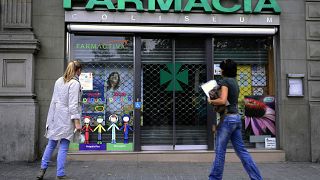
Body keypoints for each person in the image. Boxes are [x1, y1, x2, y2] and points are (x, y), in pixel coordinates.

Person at [207, 59, 263, 180]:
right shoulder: (234, 82)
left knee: (220, 152)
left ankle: (214, 178)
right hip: (236, 118)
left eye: (221, 68)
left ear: (224, 70)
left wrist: (211, 100)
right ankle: (257, 178)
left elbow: (222, 100)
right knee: (242, 151)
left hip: (227, 119)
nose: (220, 70)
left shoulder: (225, 81)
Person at [37, 61, 82, 180]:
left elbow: (53, 101)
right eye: (80, 71)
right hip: (67, 118)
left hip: (56, 117)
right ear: (78, 70)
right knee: (63, 145)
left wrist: (50, 119)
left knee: (51, 144)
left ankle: (42, 170)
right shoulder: (74, 83)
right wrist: (77, 122)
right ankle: (60, 174)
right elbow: (73, 105)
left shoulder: (58, 81)